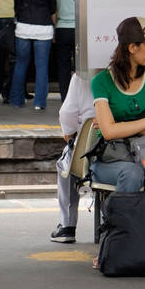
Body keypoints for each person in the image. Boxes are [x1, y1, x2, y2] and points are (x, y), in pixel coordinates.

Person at [90, 16, 145, 196]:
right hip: (111, 159)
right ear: (132, 48)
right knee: (132, 173)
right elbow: (108, 133)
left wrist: (119, 127)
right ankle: (120, 223)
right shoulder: (101, 81)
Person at [52, 72, 95, 243]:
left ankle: (67, 225)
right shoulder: (137, 72)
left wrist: (69, 135)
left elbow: (67, 113)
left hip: (88, 150)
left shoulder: (83, 76)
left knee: (66, 165)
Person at [10, 0, 57, 111]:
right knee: (42, 66)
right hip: (43, 29)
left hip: (23, 27)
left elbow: (16, 6)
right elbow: (52, 10)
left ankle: (17, 100)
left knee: (21, 63)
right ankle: (39, 103)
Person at [54, 0, 77, 101]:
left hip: (62, 29)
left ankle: (65, 97)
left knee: (63, 65)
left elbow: (53, 12)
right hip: (80, 31)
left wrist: (54, 27)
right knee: (80, 67)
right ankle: (79, 97)